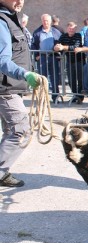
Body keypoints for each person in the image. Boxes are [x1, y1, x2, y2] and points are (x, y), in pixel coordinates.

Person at [0, 0, 41, 190]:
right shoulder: (1, 21)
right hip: (5, 88)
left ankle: (3, 170)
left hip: (11, 86)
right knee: (21, 131)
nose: (19, 1)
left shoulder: (10, 18)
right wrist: (25, 74)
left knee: (10, 131)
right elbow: (2, 60)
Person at [31, 14, 62, 103]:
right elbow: (33, 45)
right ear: (42, 21)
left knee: (55, 77)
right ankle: (43, 97)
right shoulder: (37, 32)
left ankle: (55, 97)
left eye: (47, 20)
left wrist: (60, 54)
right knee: (42, 78)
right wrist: (36, 55)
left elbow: (61, 42)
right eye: (44, 20)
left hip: (53, 57)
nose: (45, 22)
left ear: (50, 21)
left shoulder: (56, 32)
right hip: (42, 57)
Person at [53, 21, 84, 104]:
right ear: (67, 28)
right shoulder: (63, 36)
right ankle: (75, 95)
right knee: (71, 80)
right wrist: (56, 47)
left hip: (79, 61)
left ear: (75, 29)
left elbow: (75, 47)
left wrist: (63, 47)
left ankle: (80, 97)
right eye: (70, 28)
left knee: (80, 80)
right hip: (69, 61)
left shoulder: (78, 36)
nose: (71, 30)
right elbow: (58, 44)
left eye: (73, 28)